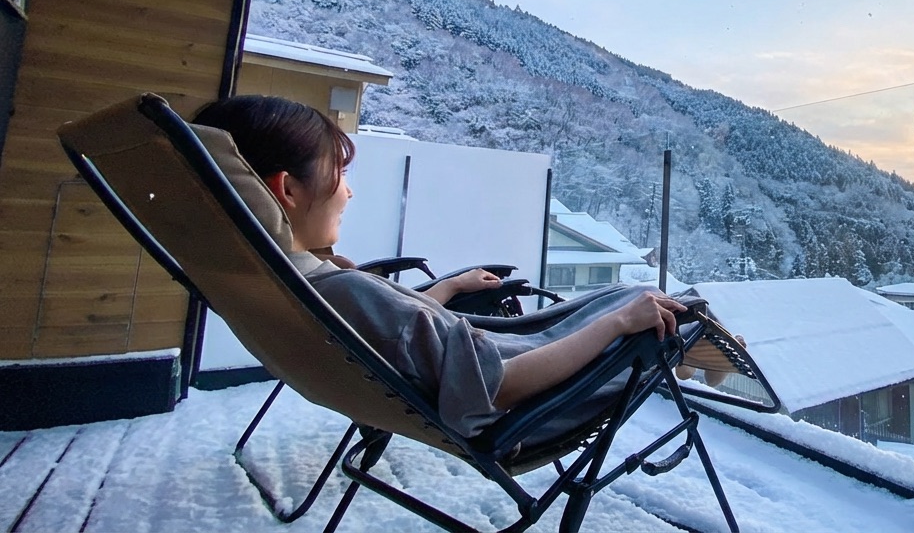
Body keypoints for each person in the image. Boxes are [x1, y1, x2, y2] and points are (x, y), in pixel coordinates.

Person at [192, 95, 686, 439]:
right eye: (340, 174)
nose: (348, 191)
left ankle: (694, 350)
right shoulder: (340, 290)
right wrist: (618, 324)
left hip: (460, 369)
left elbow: (394, 334)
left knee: (622, 302)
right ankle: (705, 354)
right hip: (530, 402)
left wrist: (448, 288)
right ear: (288, 190)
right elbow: (498, 386)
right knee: (664, 313)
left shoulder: (288, 285)